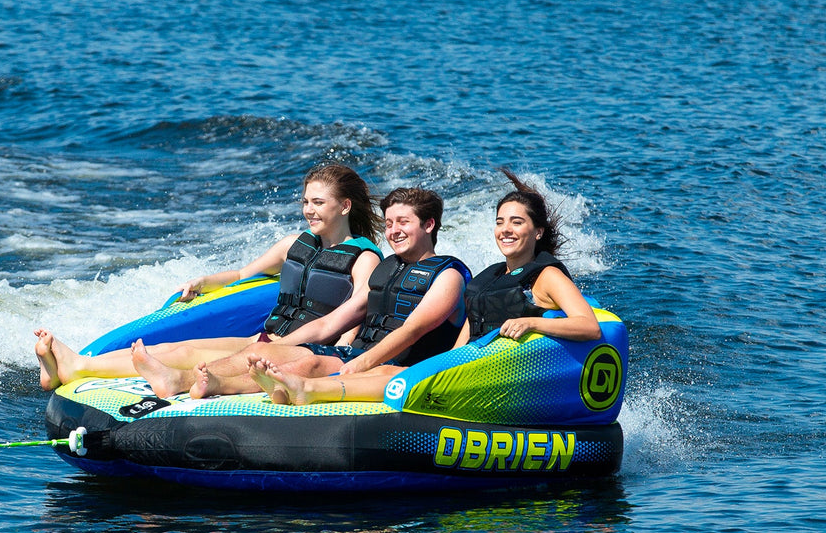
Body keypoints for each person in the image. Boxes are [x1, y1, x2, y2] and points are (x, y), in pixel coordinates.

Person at [248, 168, 601, 406]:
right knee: (386, 371)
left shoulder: (547, 276)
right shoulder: (491, 275)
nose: (505, 230)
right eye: (499, 222)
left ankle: (308, 390)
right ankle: (301, 388)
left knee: (391, 374)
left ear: (537, 232)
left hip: (501, 375)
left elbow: (588, 326)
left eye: (517, 222)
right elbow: (468, 329)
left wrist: (532, 323)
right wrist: (449, 364)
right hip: (471, 365)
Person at [34, 164, 381, 392]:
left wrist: (335, 358)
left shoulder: (363, 258)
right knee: (178, 348)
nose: (308, 210)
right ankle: (77, 366)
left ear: (345, 206)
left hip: (301, 352)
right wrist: (202, 282)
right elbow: (243, 274)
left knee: (199, 360)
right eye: (305, 201)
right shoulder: (294, 244)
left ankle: (88, 369)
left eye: (318, 202)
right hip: (267, 338)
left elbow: (353, 317)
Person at [137, 186, 470, 399]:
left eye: (403, 222)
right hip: (358, 354)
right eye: (389, 223)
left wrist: (362, 362)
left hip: (401, 369)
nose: (393, 231)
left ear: (428, 225)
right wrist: (278, 345)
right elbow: (331, 323)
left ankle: (229, 385)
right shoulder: (387, 269)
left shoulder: (448, 275)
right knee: (266, 352)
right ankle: (181, 379)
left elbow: (413, 330)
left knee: (310, 365)